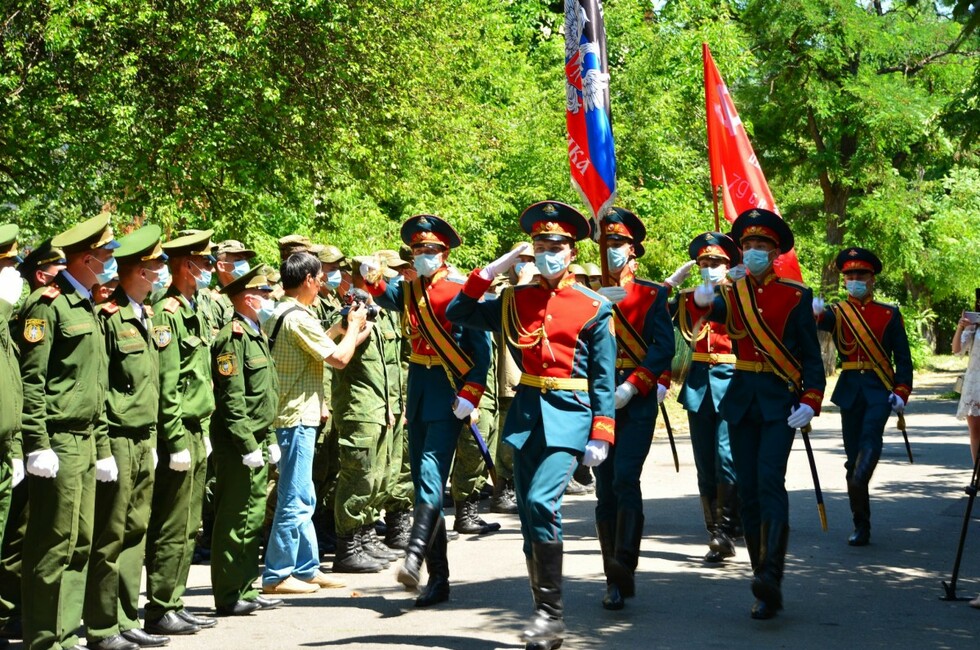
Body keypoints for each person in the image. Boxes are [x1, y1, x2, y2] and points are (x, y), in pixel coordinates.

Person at [446, 201, 615, 650]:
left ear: (572, 252)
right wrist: (493, 269)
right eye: (540, 246)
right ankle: (545, 617)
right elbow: (458, 312)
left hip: (570, 416)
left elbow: (603, 377)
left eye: (555, 247)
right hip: (526, 417)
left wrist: (602, 431)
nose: (547, 253)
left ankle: (550, 615)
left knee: (542, 502)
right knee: (529, 518)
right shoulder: (514, 300)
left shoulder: (594, 306)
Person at [692, 208, 825, 620]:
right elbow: (714, 313)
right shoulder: (734, 292)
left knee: (769, 483)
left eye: (760, 245)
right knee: (747, 490)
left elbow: (811, 357)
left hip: (779, 402)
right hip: (741, 400)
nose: (752, 251)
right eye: (747, 245)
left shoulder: (796, 295)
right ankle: (759, 574)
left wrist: (811, 400)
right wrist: (702, 299)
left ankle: (772, 575)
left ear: (775, 252)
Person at [360, 214, 492, 608]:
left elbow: (480, 351)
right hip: (418, 392)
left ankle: (414, 558)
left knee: (431, 478)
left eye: (430, 249)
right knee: (423, 485)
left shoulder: (459, 290)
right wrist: (371, 278)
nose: (423, 254)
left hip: (449, 395)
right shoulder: (411, 289)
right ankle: (439, 577)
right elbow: (388, 295)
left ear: (444, 252)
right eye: (418, 249)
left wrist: (472, 392)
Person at [19, 212, 119, 650]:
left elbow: (95, 386)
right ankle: (44, 639)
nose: (109, 262)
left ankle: (64, 633)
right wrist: (37, 443)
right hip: (58, 439)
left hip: (86, 437)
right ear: (84, 258)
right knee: (53, 543)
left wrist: (103, 447)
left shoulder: (86, 305)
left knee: (80, 541)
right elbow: (32, 379)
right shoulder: (48, 305)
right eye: (104, 255)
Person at [85, 226, 170, 650]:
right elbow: (100, 387)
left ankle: (125, 617)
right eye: (156, 265)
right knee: (111, 534)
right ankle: (102, 626)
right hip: (117, 437)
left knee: (136, 530)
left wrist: (153, 438)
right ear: (138, 270)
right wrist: (103, 449)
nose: (162, 272)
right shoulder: (109, 318)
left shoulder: (145, 315)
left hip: (143, 436)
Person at [261, 252, 366, 595]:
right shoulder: (297, 318)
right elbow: (340, 358)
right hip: (295, 418)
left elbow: (315, 344)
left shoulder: (283, 311)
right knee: (294, 497)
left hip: (295, 415)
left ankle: (306, 568)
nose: (322, 284)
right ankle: (277, 574)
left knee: (304, 495)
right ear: (307, 279)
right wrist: (354, 328)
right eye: (320, 278)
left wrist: (339, 329)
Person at [591, 208, 675, 610]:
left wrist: (634, 384)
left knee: (625, 477)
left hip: (635, 400)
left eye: (619, 243)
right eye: (606, 242)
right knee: (604, 486)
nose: (612, 249)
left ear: (633, 250)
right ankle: (611, 575)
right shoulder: (587, 292)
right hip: (598, 399)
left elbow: (663, 348)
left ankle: (624, 565)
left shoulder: (652, 294)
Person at [144, 229, 218, 636]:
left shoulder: (194, 308)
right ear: (186, 265)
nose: (210, 268)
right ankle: (159, 606)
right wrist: (173, 439)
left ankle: (174, 600)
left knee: (190, 523)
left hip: (195, 426)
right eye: (205, 262)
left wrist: (200, 429)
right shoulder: (167, 313)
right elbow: (167, 383)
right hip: (178, 429)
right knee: (172, 523)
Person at [813, 247, 912, 547]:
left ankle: (858, 483)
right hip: (849, 390)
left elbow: (903, 359)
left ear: (872, 279)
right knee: (851, 458)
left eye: (861, 274)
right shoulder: (837, 312)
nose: (855, 279)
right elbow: (813, 324)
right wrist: (812, 312)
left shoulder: (889, 314)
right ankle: (861, 523)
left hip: (878, 389)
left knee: (869, 441)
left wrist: (901, 391)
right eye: (850, 275)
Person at [209, 266, 285, 616]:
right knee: (234, 517)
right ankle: (228, 593)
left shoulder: (256, 333)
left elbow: (263, 396)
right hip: (237, 442)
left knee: (252, 517)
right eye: (265, 294)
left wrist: (269, 437)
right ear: (249, 298)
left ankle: (246, 588)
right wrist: (246, 444)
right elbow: (232, 398)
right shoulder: (232, 337)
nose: (270, 299)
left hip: (256, 437)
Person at [670, 232, 742, 564]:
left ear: (728, 265)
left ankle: (726, 527)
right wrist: (670, 285)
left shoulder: (740, 295)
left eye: (716, 262)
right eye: (704, 263)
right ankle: (714, 528)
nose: (709, 267)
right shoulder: (689, 298)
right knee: (703, 461)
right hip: (699, 382)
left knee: (726, 456)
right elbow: (654, 314)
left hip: (731, 379)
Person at [330, 259, 402, 573]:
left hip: (381, 409)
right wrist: (356, 323)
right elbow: (333, 351)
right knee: (358, 476)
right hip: (359, 409)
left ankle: (365, 536)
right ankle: (347, 547)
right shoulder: (348, 316)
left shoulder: (381, 315)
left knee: (379, 477)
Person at [953, 309, 980, 465]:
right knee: (975, 431)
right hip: (974, 383)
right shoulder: (974, 325)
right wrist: (961, 327)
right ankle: (978, 473)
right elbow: (957, 351)